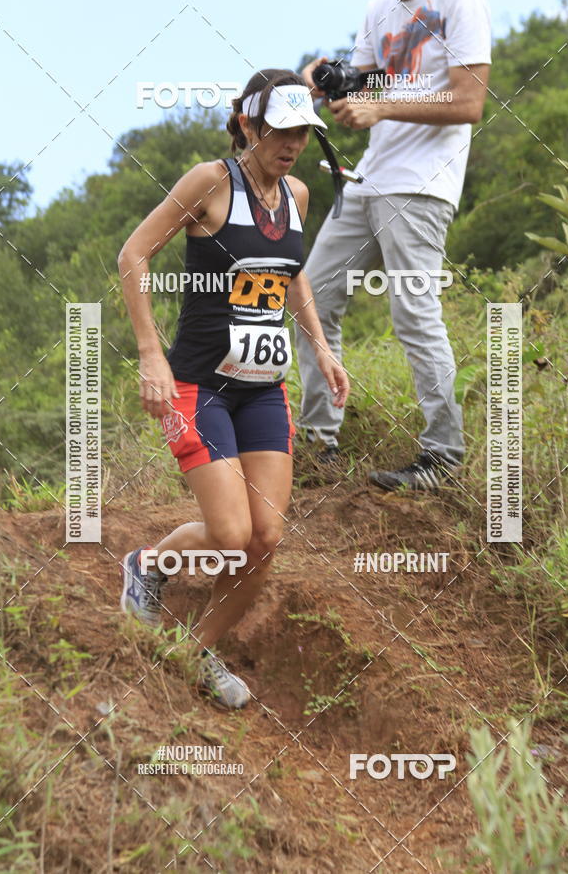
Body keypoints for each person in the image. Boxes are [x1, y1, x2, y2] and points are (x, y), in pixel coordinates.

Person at [117, 69, 349, 709]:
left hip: (262, 388)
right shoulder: (211, 183)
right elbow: (133, 255)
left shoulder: (298, 194)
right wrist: (150, 355)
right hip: (197, 387)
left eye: (303, 131)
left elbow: (292, 274)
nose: (292, 143)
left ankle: (195, 651)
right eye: (280, 129)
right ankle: (148, 566)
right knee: (229, 533)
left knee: (266, 538)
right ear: (249, 124)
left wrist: (322, 351)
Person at [296, 0, 491, 490]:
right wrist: (322, 81)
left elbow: (469, 102)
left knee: (412, 311)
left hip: (422, 184)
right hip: (368, 177)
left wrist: (379, 107)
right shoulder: (377, 8)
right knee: (311, 297)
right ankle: (320, 445)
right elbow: (364, 79)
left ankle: (443, 457)